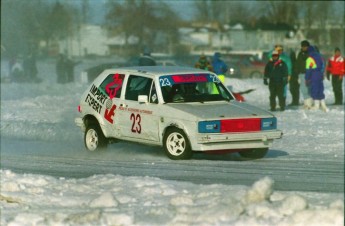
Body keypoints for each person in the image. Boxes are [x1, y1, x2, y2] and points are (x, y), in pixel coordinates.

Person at [305, 45, 329, 112]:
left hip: (313, 75)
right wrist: (322, 74)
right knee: (320, 89)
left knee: (314, 89)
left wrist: (307, 78)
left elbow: (308, 69)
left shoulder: (309, 59)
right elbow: (323, 66)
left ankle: (316, 105)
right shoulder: (320, 57)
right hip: (320, 75)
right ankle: (323, 105)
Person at [295, 40, 312, 109]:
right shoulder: (300, 54)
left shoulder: (311, 54)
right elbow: (297, 63)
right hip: (301, 73)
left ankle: (309, 104)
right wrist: (297, 72)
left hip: (309, 73)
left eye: (305, 46)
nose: (304, 48)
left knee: (309, 88)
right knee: (303, 88)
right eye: (303, 46)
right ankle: (306, 103)